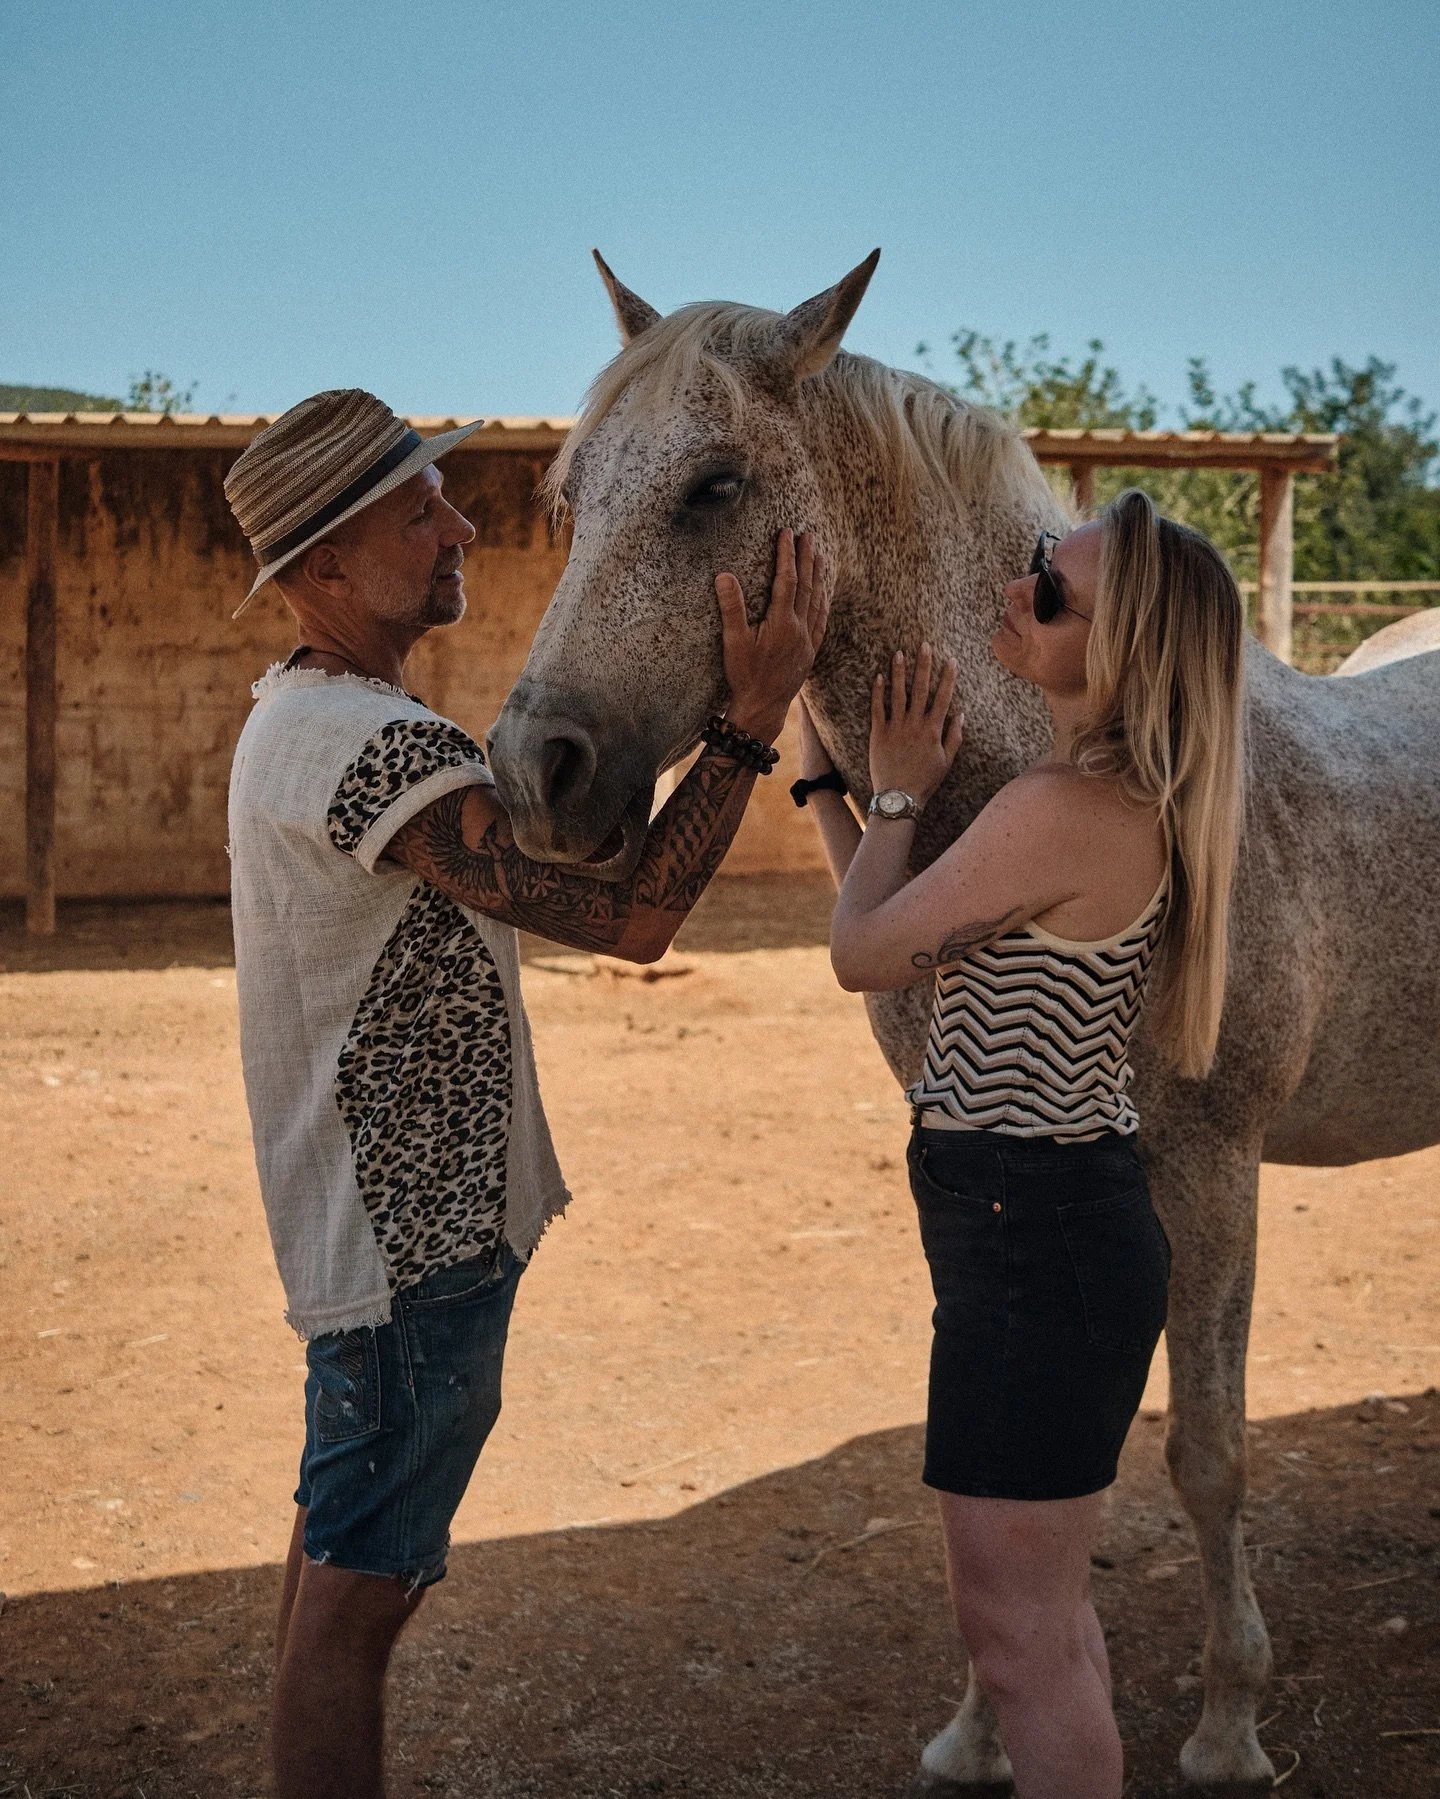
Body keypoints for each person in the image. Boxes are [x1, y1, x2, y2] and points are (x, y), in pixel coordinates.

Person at [223, 388, 827, 1799]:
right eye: (416, 510)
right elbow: (630, 920)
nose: (462, 525)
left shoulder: (304, 722)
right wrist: (747, 725)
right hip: (412, 1246)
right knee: (356, 1606)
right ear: (322, 566)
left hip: (378, 1237)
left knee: (335, 1566)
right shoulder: (381, 753)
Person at [794, 490, 1245, 1799]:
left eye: (1054, 589)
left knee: (1017, 1640)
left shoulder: (1063, 806)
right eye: (1041, 560)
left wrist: (890, 795)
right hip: (1040, 1227)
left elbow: (865, 954)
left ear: (1122, 653)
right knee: (1047, 1623)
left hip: (1033, 1238)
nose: (1022, 584)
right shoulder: (1093, 803)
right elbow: (909, 948)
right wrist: (846, 789)